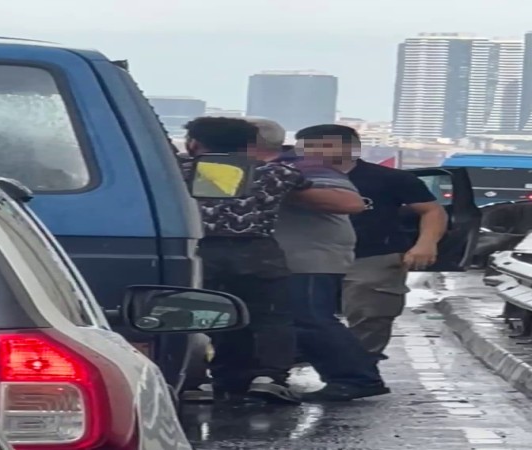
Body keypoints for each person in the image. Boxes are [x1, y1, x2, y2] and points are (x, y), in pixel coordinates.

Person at [246, 119, 389, 402]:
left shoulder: (301, 166)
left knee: (310, 319)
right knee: (286, 320)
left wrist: (280, 189)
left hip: (311, 255)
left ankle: (356, 378)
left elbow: (350, 203)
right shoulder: (250, 167)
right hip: (278, 257)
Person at [181, 116, 309, 403]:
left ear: (194, 143)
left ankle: (211, 378)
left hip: (201, 251)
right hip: (258, 252)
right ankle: (268, 378)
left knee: (204, 314)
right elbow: (307, 188)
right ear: (250, 145)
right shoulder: (276, 173)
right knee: (271, 318)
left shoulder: (179, 171)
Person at [294, 125, 447, 360]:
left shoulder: (389, 178)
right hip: (308, 258)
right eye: (307, 147)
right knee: (303, 317)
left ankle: (359, 368)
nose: (314, 152)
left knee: (371, 316)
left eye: (323, 146)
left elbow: (432, 211)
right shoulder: (291, 179)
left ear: (351, 148)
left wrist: (425, 244)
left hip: (373, 256)